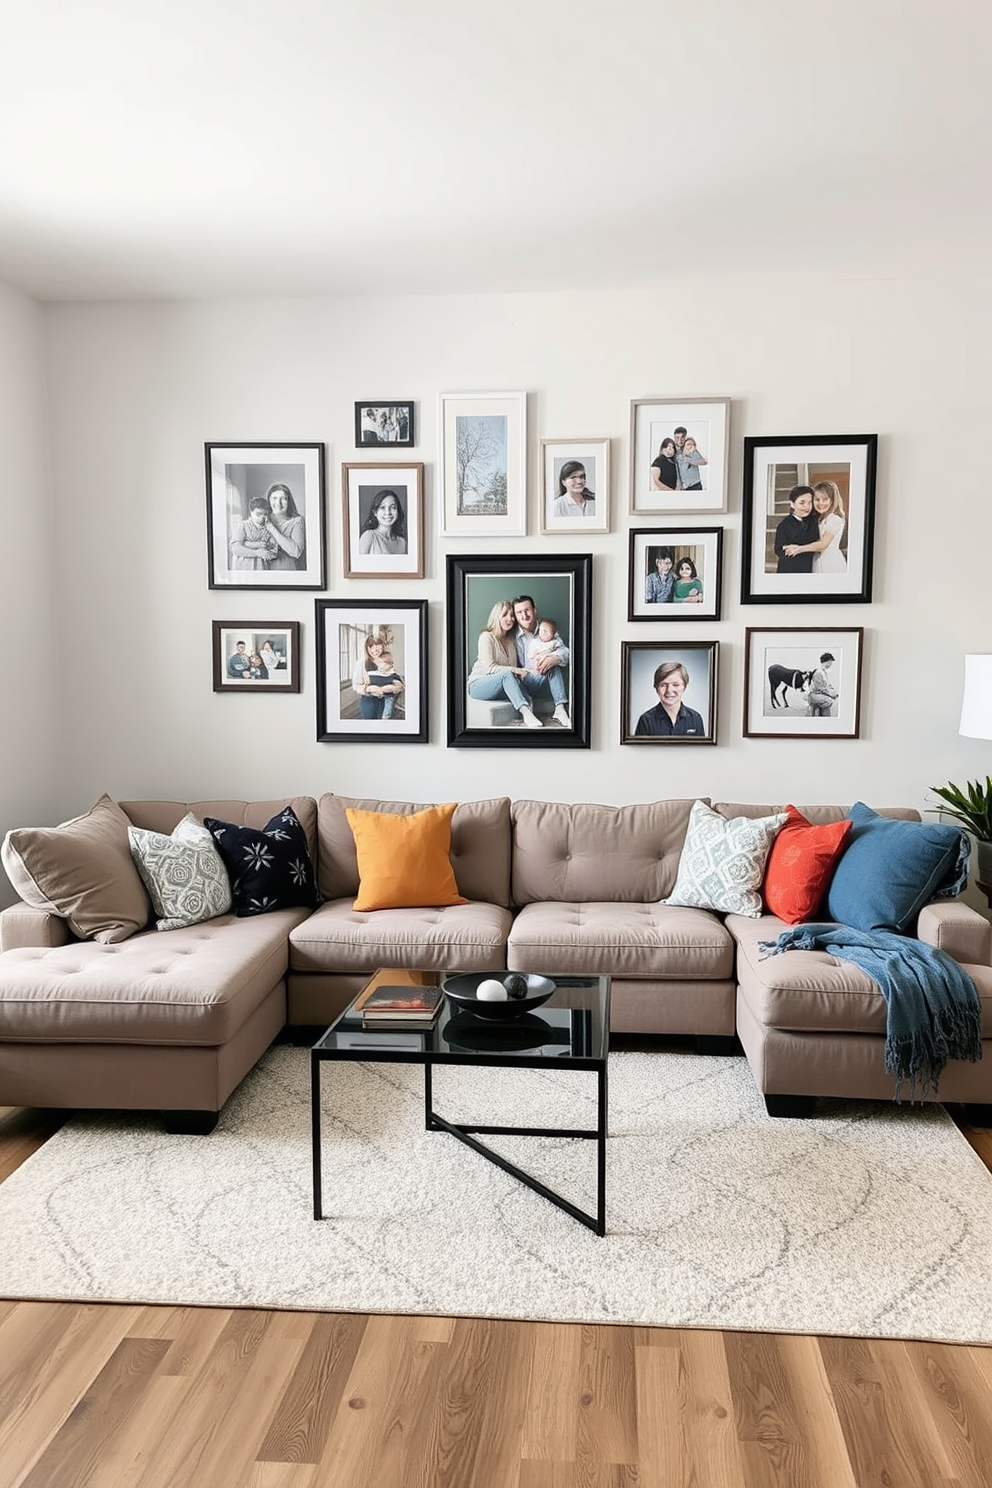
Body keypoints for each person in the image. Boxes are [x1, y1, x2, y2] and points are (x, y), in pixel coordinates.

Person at [467, 599, 546, 730]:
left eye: (511, 615)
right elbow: (490, 668)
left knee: (523, 681)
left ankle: (530, 710)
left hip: (500, 685)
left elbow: (513, 674)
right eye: (505, 615)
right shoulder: (486, 637)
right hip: (478, 684)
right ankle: (526, 713)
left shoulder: (510, 641)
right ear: (496, 617)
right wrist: (518, 670)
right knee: (507, 674)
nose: (510, 619)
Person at [512, 594, 571, 728]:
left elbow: (566, 652)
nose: (524, 615)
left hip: (545, 676)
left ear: (534, 610)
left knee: (553, 665)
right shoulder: (513, 635)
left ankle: (560, 709)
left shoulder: (547, 628)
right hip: (525, 680)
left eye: (527, 610)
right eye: (519, 612)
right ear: (515, 616)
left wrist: (554, 658)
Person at [635, 661, 706, 737]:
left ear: (684, 687)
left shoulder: (695, 719)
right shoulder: (646, 721)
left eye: (675, 685)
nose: (669, 690)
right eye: (663, 685)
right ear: (656, 688)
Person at [351, 633, 404, 720]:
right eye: (371, 647)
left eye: (378, 646)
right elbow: (356, 685)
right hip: (369, 700)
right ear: (366, 648)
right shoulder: (362, 663)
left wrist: (395, 686)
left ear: (382, 646)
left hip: (387, 699)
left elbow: (395, 678)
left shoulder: (386, 659)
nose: (375, 650)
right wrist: (368, 689)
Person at [774, 485, 819, 573]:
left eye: (809, 502)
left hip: (810, 567)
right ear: (792, 504)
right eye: (802, 503)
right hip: (791, 569)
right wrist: (789, 549)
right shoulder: (784, 525)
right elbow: (778, 549)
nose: (807, 506)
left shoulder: (814, 520)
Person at [229, 496, 278, 570]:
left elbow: (274, 552)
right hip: (243, 568)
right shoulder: (244, 525)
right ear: (251, 512)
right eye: (258, 514)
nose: (262, 518)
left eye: (265, 514)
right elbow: (235, 549)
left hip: (261, 568)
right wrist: (257, 551)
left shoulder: (269, 528)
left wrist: (246, 544)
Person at [265, 484, 306, 570]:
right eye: (274, 498)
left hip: (287, 571)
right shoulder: (261, 519)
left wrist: (272, 529)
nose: (278, 503)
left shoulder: (297, 521)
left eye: (283, 499)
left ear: (289, 501)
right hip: (263, 572)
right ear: (269, 500)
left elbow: (296, 552)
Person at [811, 480, 848, 574]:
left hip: (830, 562)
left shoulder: (834, 519)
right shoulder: (820, 519)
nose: (821, 503)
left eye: (825, 499)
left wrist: (798, 549)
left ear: (832, 501)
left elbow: (823, 545)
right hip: (818, 561)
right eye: (817, 499)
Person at [358, 489, 407, 555]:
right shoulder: (369, 536)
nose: (388, 512)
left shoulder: (402, 542)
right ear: (375, 512)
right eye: (382, 507)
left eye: (393, 507)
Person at [366, 648, 403, 719]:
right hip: (374, 695)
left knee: (389, 702)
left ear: (389, 665)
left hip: (388, 695)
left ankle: (385, 717)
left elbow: (399, 686)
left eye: (381, 663)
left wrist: (388, 688)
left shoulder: (392, 674)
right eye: (378, 664)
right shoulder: (374, 673)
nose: (379, 666)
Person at [807, 652, 839, 717]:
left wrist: (834, 692)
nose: (831, 664)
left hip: (820, 694)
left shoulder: (823, 672)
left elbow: (827, 685)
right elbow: (819, 688)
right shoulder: (818, 672)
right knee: (828, 701)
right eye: (831, 662)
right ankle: (825, 720)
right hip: (815, 695)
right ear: (827, 662)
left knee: (831, 700)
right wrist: (831, 694)